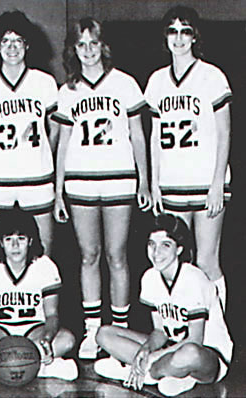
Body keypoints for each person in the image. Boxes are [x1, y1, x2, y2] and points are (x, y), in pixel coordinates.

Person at [52, 17, 151, 359]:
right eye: (82, 44)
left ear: (103, 46)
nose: (89, 51)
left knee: (117, 255)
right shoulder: (68, 91)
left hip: (120, 178)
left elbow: (139, 135)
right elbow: (62, 143)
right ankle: (94, 330)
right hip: (80, 181)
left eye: (94, 43)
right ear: (73, 50)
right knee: (89, 255)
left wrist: (145, 180)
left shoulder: (125, 84)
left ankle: (119, 330)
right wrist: (58, 190)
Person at [145, 6, 232, 310]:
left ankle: (217, 333)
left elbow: (224, 134)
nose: (179, 38)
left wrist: (217, 183)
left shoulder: (212, 76)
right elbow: (155, 137)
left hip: (206, 181)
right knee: (176, 261)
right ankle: (183, 328)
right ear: (165, 36)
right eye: (172, 30)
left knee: (207, 260)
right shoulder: (156, 81)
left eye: (185, 31)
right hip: (171, 183)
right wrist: (154, 184)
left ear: (195, 37)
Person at [94, 214, 233, 397]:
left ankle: (141, 372)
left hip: (208, 355)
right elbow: (160, 332)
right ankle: (170, 376)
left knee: (189, 353)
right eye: (152, 244)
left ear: (179, 249)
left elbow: (194, 340)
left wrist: (151, 357)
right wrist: (146, 349)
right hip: (170, 348)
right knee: (104, 334)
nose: (156, 252)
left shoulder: (194, 279)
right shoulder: (150, 277)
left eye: (165, 245)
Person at [0, 10, 59, 257]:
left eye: (18, 40)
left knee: (42, 250)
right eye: (5, 41)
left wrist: (40, 156)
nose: (12, 47)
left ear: (27, 45)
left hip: (37, 177)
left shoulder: (45, 83)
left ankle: (40, 294)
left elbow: (55, 129)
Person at [0, 207, 78, 380]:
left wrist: (47, 340)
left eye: (21, 239)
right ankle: (41, 368)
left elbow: (52, 315)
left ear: (30, 241)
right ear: (0, 242)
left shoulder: (45, 265)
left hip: (34, 331)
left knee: (67, 339)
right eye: (8, 239)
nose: (15, 246)